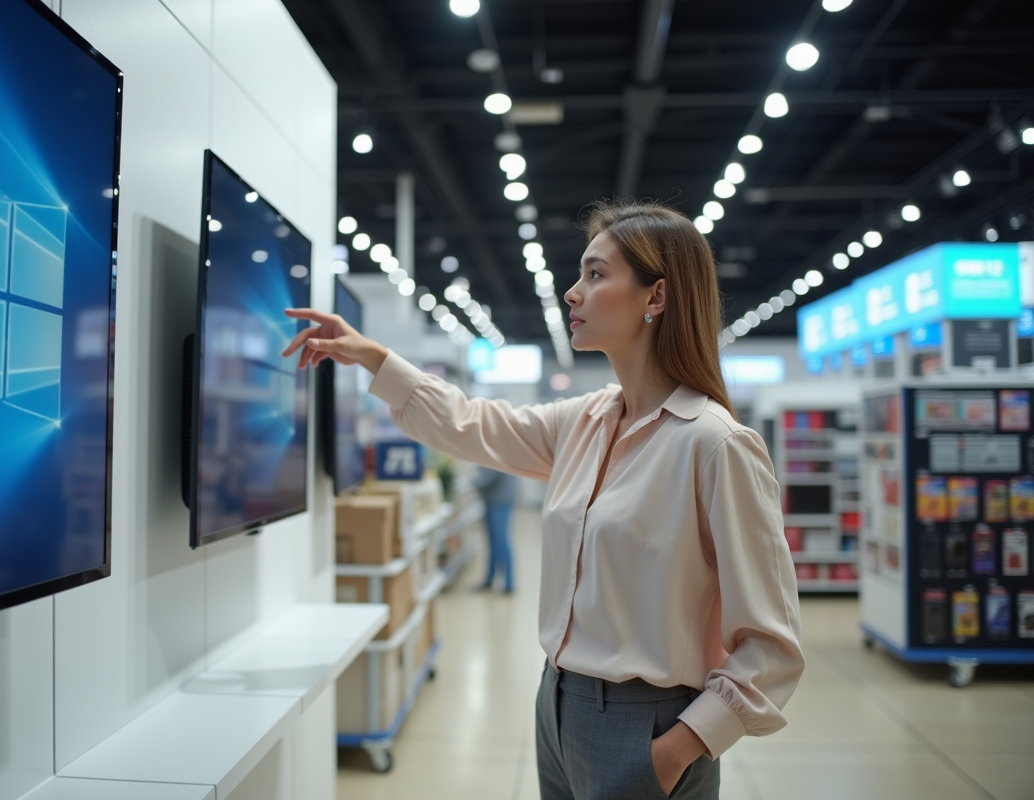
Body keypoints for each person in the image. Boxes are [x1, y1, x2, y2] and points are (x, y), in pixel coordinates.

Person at [283, 200, 804, 800]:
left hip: (649, 723)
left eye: (595, 274)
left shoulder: (715, 445)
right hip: (555, 705)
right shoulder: (585, 420)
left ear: (655, 298)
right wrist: (373, 357)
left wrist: (678, 749)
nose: (572, 293)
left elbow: (773, 641)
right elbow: (469, 423)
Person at [474, 466, 517, 593]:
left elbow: (492, 472)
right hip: (494, 498)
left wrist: (474, 483)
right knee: (493, 541)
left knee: (501, 541)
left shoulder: (501, 447)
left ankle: (509, 583)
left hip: (500, 499)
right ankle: (489, 578)